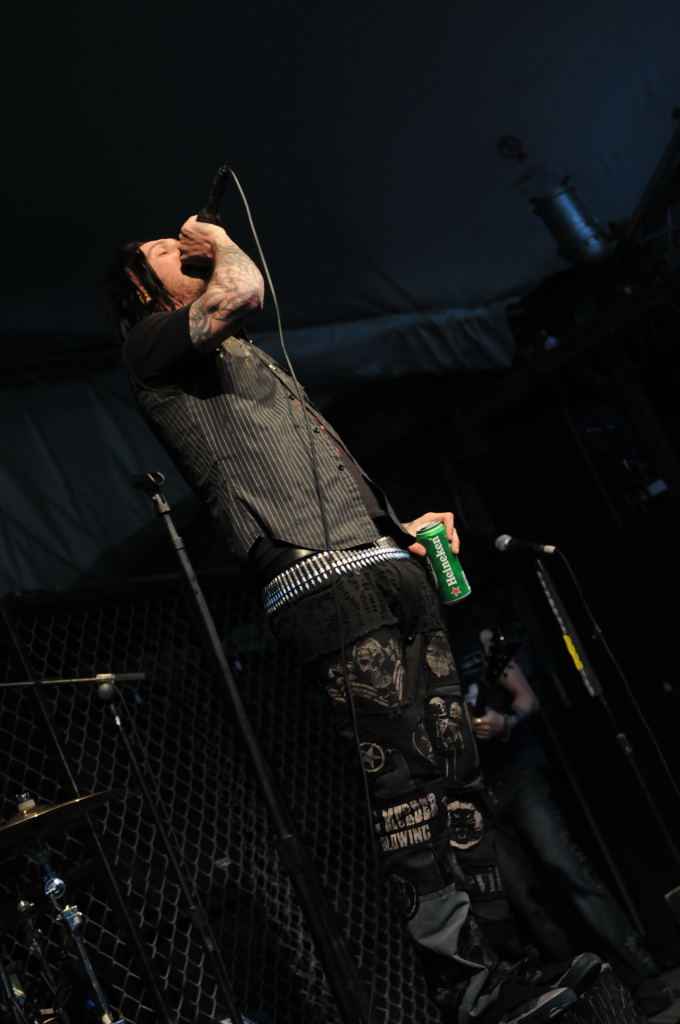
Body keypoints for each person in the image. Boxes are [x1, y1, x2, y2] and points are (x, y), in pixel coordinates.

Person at [107, 214, 600, 1024]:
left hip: (382, 569)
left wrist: (400, 529)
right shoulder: (154, 347)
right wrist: (214, 238)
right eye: (160, 250)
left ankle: (509, 970)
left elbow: (309, 463)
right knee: (404, 786)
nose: (178, 245)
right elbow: (240, 289)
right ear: (139, 290)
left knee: (456, 775)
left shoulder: (245, 357)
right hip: (322, 589)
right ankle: (465, 991)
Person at [456, 623, 675, 1018]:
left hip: (518, 775)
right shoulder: (417, 662)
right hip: (474, 793)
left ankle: (644, 978)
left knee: (570, 872)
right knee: (527, 902)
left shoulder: (477, 639)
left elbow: (527, 698)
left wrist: (505, 722)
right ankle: (590, 999)